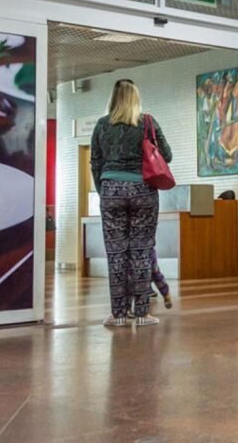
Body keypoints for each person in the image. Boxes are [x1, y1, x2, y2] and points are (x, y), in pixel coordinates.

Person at [90, 79, 172, 328]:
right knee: (142, 251)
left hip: (111, 190)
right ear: (135, 98)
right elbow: (167, 155)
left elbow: (95, 161)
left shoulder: (102, 125)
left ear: (114, 98)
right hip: (143, 190)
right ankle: (143, 313)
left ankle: (118, 314)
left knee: (116, 253)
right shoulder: (147, 121)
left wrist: (104, 191)